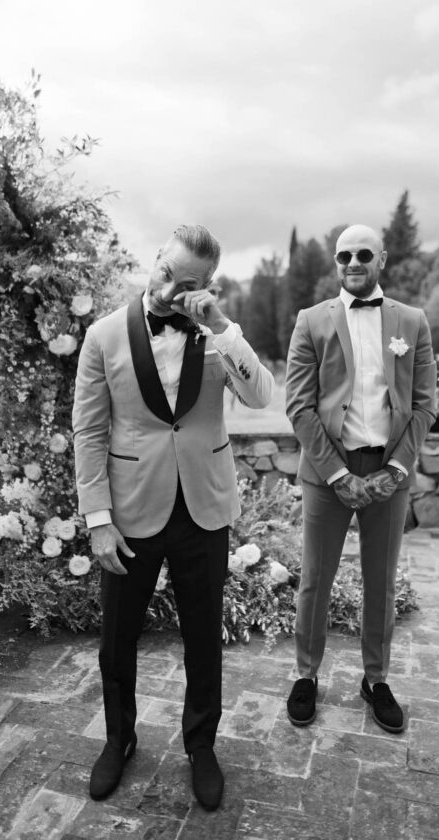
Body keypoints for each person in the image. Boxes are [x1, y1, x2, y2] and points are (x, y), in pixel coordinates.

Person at [73, 224, 273, 810]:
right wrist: (98, 519)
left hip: (203, 508)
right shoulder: (103, 335)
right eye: (165, 273)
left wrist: (222, 327)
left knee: (204, 637)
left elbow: (261, 396)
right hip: (131, 510)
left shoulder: (216, 334)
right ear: (156, 257)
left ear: (205, 285)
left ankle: (201, 745)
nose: (168, 291)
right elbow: (89, 432)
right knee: (117, 639)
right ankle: (119, 739)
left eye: (185, 284)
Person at [285, 224, 437, 734]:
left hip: (388, 470)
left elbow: (424, 405)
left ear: (382, 259)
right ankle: (306, 674)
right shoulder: (311, 320)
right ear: (336, 262)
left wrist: (397, 469)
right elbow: (299, 406)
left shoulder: (412, 321)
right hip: (327, 472)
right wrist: (336, 474)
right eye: (343, 255)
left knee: (381, 581)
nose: (353, 262)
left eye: (363, 254)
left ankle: (376, 679)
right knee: (315, 580)